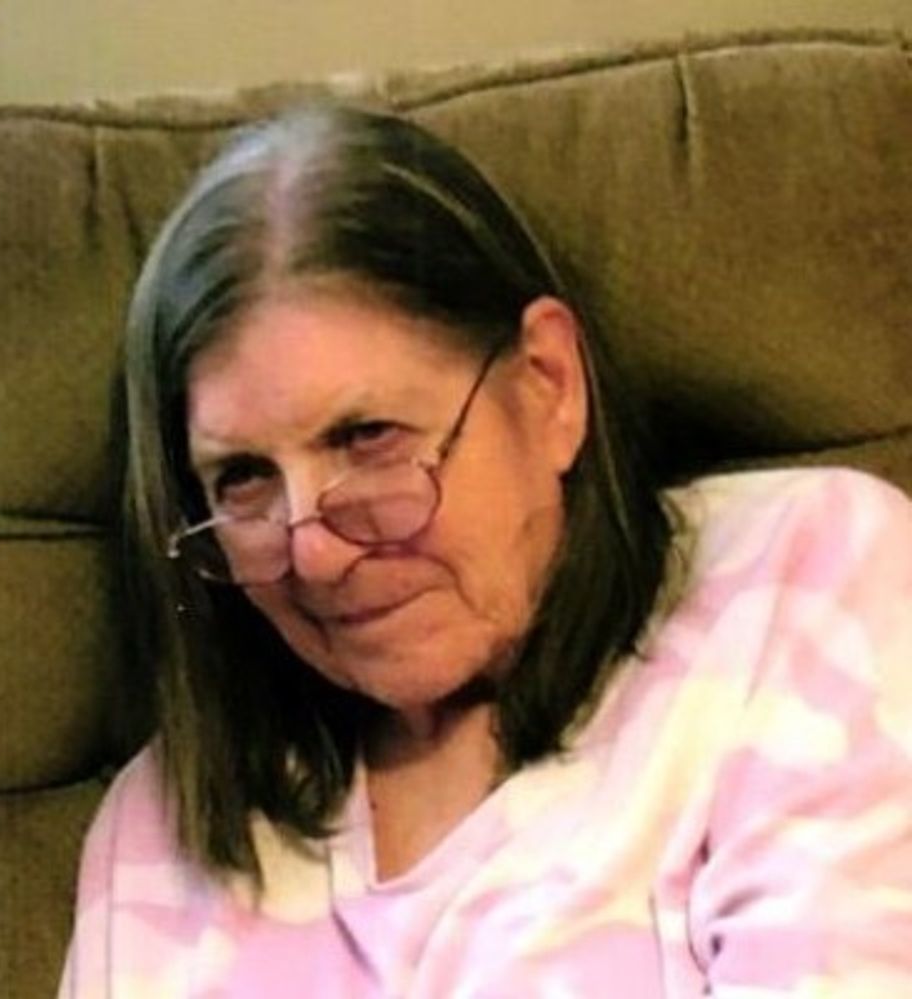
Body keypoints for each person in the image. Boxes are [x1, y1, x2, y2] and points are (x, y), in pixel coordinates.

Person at [59, 105, 912, 996]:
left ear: (548, 384)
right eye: (242, 478)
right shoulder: (164, 829)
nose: (313, 555)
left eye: (368, 436)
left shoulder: (804, 579)